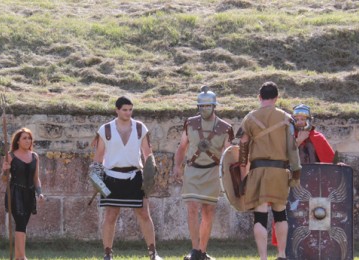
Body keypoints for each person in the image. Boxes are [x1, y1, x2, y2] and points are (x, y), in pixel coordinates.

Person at [91, 96, 162, 260]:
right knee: (111, 215)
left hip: (135, 176)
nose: (128, 113)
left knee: (144, 213)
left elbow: (148, 154)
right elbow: (99, 157)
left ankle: (153, 253)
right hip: (111, 177)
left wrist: (151, 172)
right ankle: (107, 254)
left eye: (130, 109)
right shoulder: (106, 130)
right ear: (117, 110)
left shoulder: (139, 128)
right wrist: (95, 176)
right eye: (124, 110)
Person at [238, 82, 302, 260]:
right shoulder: (286, 118)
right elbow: (292, 148)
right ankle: (281, 254)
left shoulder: (249, 118)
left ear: (259, 97)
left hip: (258, 171)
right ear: (276, 98)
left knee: (260, 215)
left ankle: (263, 258)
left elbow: (243, 147)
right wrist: (296, 171)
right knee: (280, 213)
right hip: (280, 172)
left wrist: (242, 173)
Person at [173, 86, 233, 260]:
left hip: (213, 172)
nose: (205, 109)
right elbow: (182, 147)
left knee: (208, 211)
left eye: (208, 106)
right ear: (198, 107)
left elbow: (229, 154)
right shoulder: (190, 123)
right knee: (192, 208)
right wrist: (177, 166)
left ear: (214, 106)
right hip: (193, 170)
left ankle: (202, 251)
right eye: (202, 106)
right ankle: (194, 249)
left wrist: (230, 175)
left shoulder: (225, 128)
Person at [2, 128, 45, 260]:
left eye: (29, 138)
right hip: (15, 193)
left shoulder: (34, 157)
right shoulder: (10, 156)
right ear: (18, 141)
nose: (27, 140)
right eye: (24, 138)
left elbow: (36, 178)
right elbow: (4, 179)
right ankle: (22, 257)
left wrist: (40, 193)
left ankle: (18, 257)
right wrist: (5, 171)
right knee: (20, 223)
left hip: (29, 194)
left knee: (23, 224)